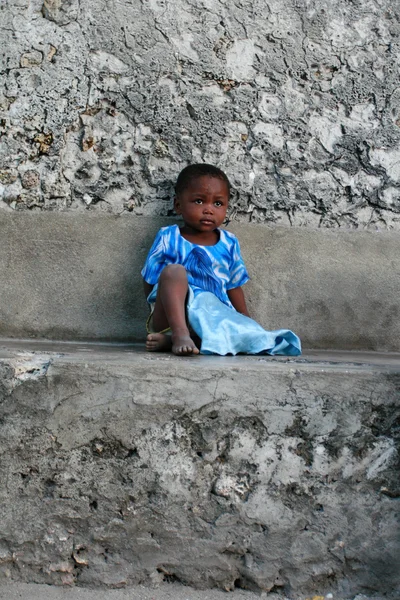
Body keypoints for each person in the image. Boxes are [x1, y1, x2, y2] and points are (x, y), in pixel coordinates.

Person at [141, 164, 301, 357]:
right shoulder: (168, 236)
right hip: (171, 316)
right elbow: (149, 278)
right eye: (199, 201)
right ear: (178, 205)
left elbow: (233, 285)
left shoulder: (229, 243)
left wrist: (245, 319)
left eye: (217, 204)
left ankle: (176, 341)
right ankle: (179, 334)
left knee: (235, 329)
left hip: (212, 317)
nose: (209, 210)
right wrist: (157, 314)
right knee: (174, 272)